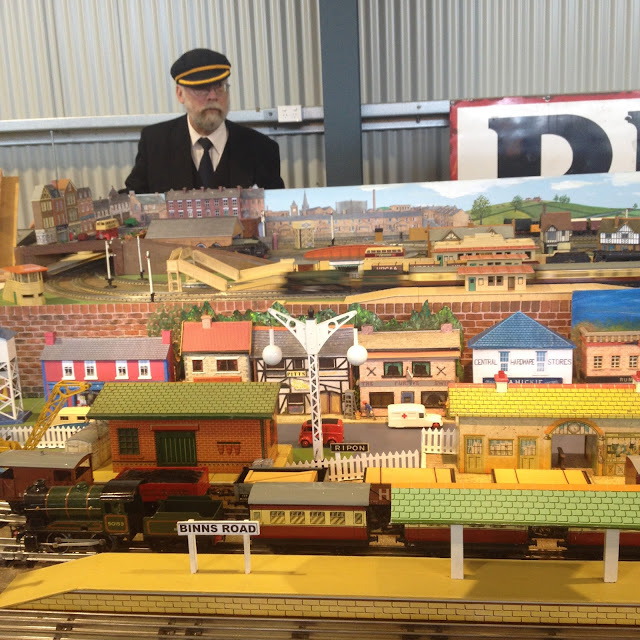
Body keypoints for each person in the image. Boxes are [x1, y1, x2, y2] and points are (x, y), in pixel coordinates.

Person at [124, 48, 284, 194]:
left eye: (219, 87)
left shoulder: (261, 149)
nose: (213, 96)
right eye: (201, 88)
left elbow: (277, 205)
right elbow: (133, 198)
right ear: (180, 94)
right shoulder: (155, 143)